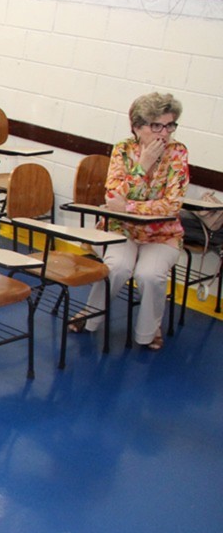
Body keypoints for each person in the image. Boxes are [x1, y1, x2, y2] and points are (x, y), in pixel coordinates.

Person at [79, 92, 188, 351]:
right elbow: (112, 196)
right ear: (137, 127)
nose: (165, 133)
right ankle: (90, 316)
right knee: (117, 267)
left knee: (150, 275)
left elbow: (172, 204)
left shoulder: (178, 152)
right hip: (121, 229)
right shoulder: (123, 150)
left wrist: (129, 206)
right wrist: (143, 165)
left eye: (170, 125)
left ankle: (149, 331)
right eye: (157, 126)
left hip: (163, 234)